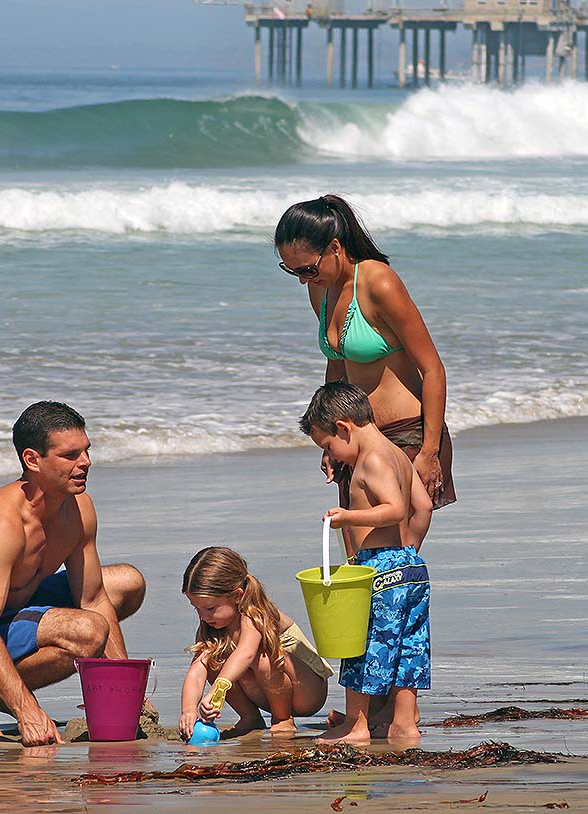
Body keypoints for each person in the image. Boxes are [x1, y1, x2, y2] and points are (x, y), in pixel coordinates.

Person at [0, 401, 146, 747]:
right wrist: (27, 711)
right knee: (87, 632)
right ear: (32, 460)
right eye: (70, 455)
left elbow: (94, 597)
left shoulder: (78, 507)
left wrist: (124, 693)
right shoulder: (2, 523)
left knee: (127, 583)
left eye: (86, 451)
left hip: (9, 612)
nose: (86, 463)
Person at [274, 194, 454, 550]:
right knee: (359, 563)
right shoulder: (319, 289)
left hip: (407, 437)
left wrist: (430, 451)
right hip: (355, 436)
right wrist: (329, 437)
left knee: (391, 563)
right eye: (291, 270)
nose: (301, 279)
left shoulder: (379, 283)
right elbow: (337, 364)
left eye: (307, 268)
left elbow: (432, 368)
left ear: (335, 247)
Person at [299, 381, 431, 745]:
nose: (333, 456)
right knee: (409, 648)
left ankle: (356, 725)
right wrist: (410, 550)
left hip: (381, 569)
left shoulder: (370, 460)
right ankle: (404, 724)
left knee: (361, 645)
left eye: (329, 446)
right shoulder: (398, 455)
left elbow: (396, 508)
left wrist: (347, 518)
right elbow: (423, 507)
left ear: (343, 427)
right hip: (410, 569)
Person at [178, 546, 332, 741]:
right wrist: (189, 710)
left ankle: (283, 718)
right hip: (271, 692)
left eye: (210, 608)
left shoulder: (255, 614)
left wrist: (217, 688)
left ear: (237, 595)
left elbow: (247, 653)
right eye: (196, 609)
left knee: (262, 657)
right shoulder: (211, 626)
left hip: (307, 691)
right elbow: (197, 670)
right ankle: (250, 718)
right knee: (212, 660)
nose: (203, 616)